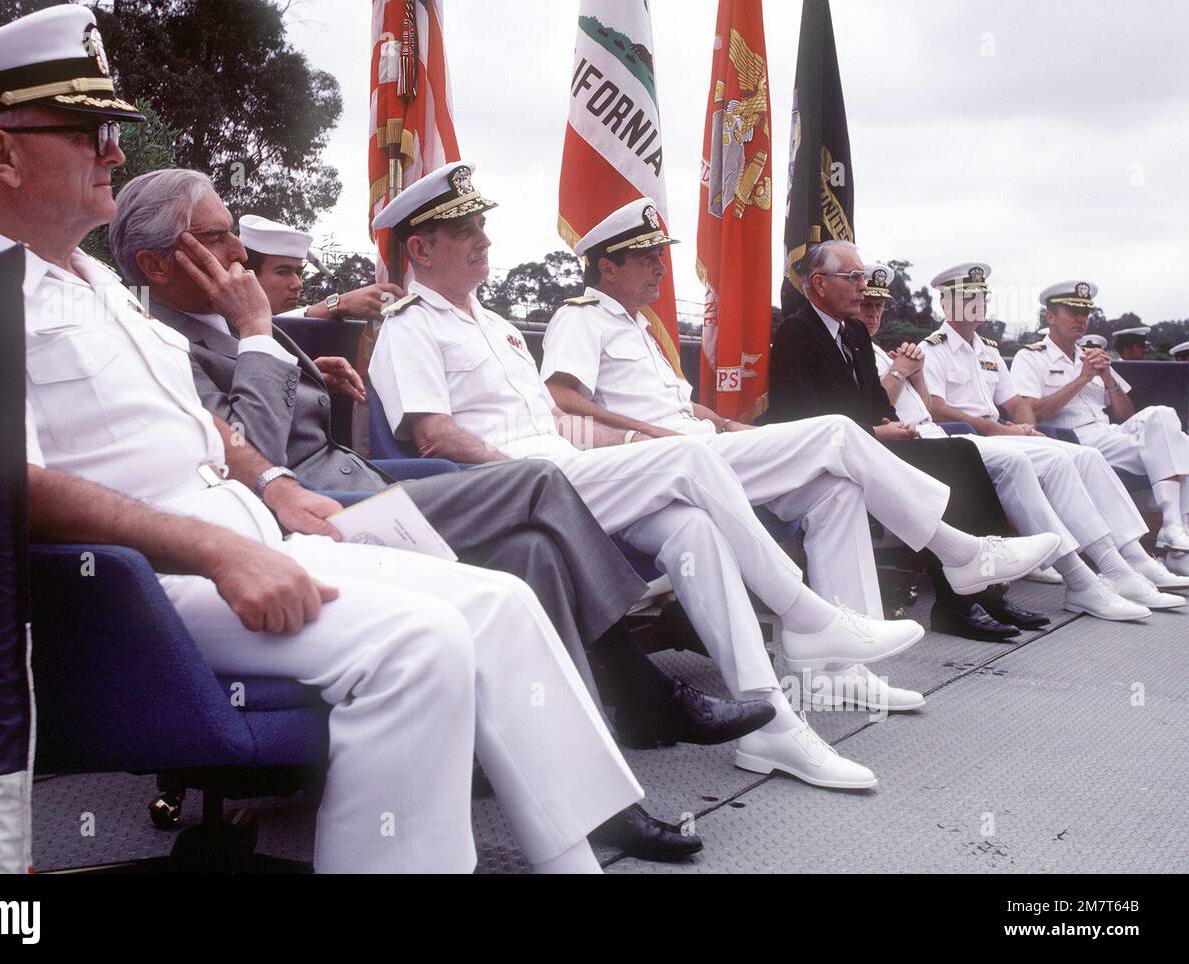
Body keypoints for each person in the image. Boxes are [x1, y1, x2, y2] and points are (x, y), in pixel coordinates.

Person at [0, 4, 646, 874]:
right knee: (420, 644)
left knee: (497, 601)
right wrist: (216, 548)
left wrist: (271, 482)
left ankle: (575, 857)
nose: (114, 151)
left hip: (245, 537)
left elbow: (191, 418)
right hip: (136, 594)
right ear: (1, 152)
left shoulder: (88, 278)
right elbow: (4, 484)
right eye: (93, 129)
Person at [112, 170, 775, 861]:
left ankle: (592, 806)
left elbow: (312, 431)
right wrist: (255, 330)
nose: (239, 257)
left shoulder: (236, 324)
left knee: (534, 554)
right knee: (538, 484)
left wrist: (323, 385)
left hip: (363, 487)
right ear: (158, 265)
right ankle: (643, 689)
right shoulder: (161, 342)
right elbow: (250, 464)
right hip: (307, 524)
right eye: (217, 239)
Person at [368, 162, 1058, 790]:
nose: (483, 240)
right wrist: (524, 470)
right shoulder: (409, 326)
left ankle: (776, 728)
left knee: (711, 521)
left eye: (482, 226)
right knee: (770, 446)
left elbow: (557, 418)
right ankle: (842, 604)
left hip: (571, 473)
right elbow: (431, 434)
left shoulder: (498, 327)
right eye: (464, 231)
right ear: (420, 250)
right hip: (516, 488)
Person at [540, 198, 996, 712]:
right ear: (608, 266)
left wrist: (726, 423)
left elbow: (677, 405)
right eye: (646, 258)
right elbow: (563, 401)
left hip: (703, 451)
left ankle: (840, 673)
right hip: (663, 467)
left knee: (836, 491)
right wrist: (653, 436)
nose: (660, 268)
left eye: (660, 256)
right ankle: (957, 551)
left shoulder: (642, 328)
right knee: (837, 433)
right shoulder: (581, 318)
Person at [767, 242, 1048, 641]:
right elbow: (800, 417)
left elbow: (877, 403)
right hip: (822, 452)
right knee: (942, 464)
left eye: (863, 277)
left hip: (867, 442)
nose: (863, 287)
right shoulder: (798, 333)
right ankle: (956, 603)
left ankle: (990, 591)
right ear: (820, 284)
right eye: (854, 278)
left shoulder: (853, 336)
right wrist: (878, 433)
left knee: (962, 452)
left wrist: (895, 426)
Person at [858, 263, 1168, 619]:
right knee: (1042, 462)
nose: (977, 304)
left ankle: (1127, 558)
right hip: (955, 436)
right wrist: (1005, 431)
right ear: (945, 305)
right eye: (967, 298)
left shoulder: (973, 351)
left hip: (971, 434)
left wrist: (1026, 425)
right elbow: (932, 411)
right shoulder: (931, 348)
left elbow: (1015, 403)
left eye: (981, 297)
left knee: (1082, 456)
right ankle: (1090, 577)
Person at [1010, 280, 1189, 556]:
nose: (1081, 320)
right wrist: (1082, 379)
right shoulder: (1031, 357)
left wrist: (1108, 380)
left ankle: (1176, 533)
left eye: (1085, 314)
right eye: (1072, 312)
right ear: (1051, 317)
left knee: (1166, 420)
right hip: (1074, 440)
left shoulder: (1091, 356)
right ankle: (1175, 535)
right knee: (1176, 445)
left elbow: (1125, 413)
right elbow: (1033, 412)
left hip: (1110, 434)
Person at [237, 213, 402, 320]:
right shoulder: (222, 328)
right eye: (283, 272)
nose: (298, 284)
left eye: (299, 273)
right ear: (248, 275)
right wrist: (337, 304)